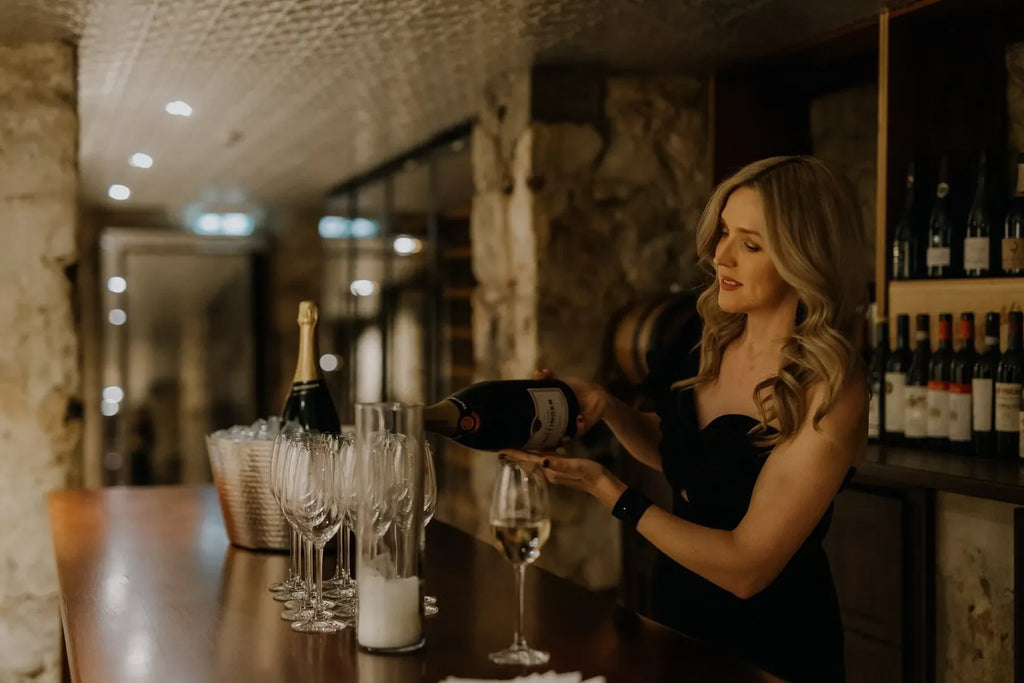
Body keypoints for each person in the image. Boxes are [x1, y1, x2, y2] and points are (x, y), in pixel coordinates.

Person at [501, 156, 868, 683]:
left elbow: (747, 568)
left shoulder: (831, 386)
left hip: (772, 646)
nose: (720, 256)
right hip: (674, 617)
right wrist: (609, 409)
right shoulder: (703, 340)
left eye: (750, 244)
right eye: (723, 232)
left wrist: (610, 491)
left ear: (803, 258)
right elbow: (681, 453)